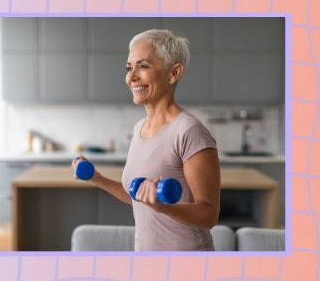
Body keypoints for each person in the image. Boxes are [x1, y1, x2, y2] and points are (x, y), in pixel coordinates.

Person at [72, 29, 220, 251]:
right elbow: (139, 197)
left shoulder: (190, 131)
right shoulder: (140, 128)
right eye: (129, 67)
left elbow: (209, 215)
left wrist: (164, 207)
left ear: (174, 73)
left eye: (143, 66)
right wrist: (97, 178)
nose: (131, 77)